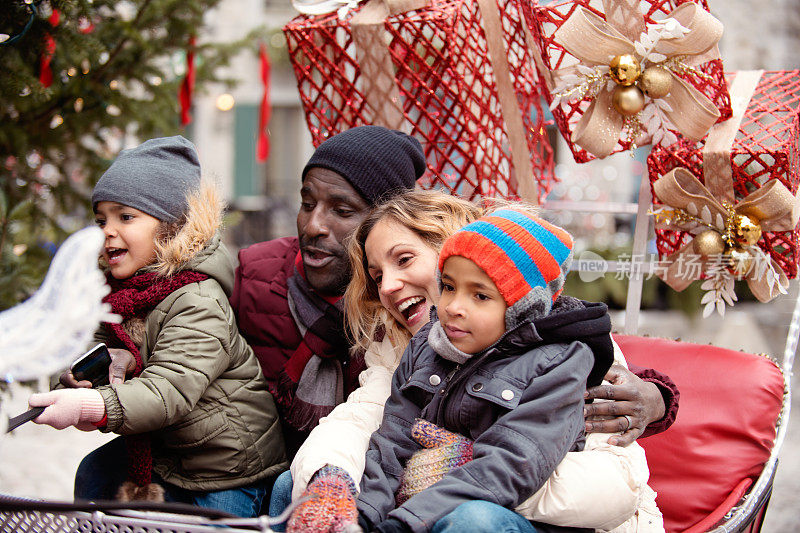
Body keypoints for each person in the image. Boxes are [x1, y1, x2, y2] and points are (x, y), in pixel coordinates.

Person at [281, 191, 667, 532]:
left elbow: (617, 485)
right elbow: (361, 424)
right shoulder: (411, 345)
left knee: (473, 519)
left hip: (544, 517)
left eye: (404, 259)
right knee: (298, 488)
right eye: (377, 275)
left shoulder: (568, 348)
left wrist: (463, 468)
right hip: (436, 508)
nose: (387, 286)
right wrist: (334, 485)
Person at [28, 136, 287, 517]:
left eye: (125, 217)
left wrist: (92, 405)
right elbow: (83, 350)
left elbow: (169, 391)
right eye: (101, 219)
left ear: (171, 226)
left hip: (227, 466)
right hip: (171, 451)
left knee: (212, 524)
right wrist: (74, 382)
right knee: (95, 473)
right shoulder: (121, 294)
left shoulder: (198, 299)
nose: (107, 230)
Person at [231, 125, 428, 458]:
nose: (313, 226)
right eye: (307, 204)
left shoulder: (408, 306)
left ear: (385, 221)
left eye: (342, 210)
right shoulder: (254, 276)